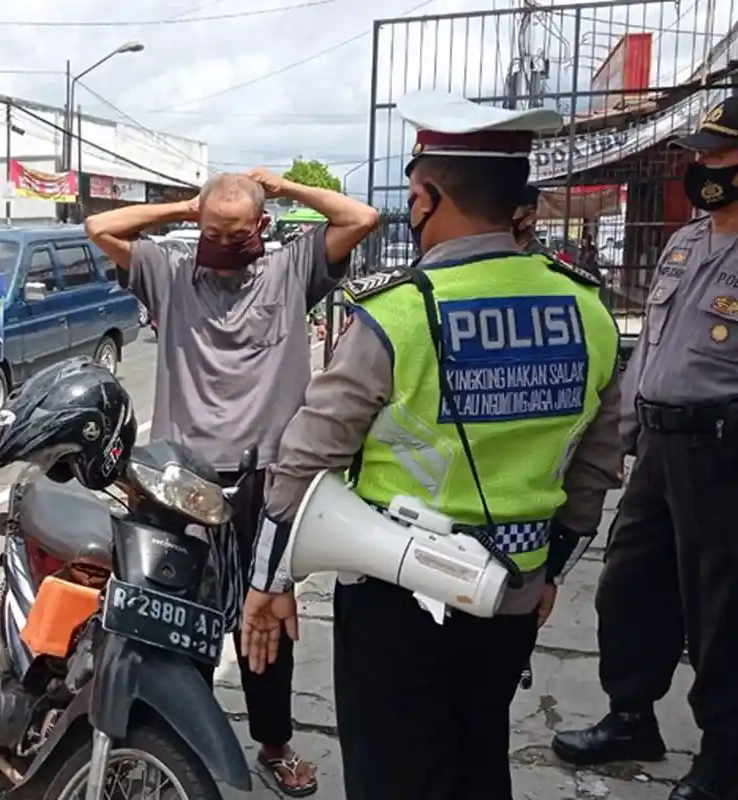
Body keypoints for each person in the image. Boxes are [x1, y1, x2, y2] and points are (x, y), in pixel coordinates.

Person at [241, 91, 623, 800]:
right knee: (479, 754)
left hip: (398, 597)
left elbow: (303, 460)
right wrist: (550, 570)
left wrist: (267, 584)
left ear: (424, 196)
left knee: (396, 772)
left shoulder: (402, 314)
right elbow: (596, 470)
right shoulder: (590, 311)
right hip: (514, 586)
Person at [85, 169, 378, 796]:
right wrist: (187, 209)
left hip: (264, 481)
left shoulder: (291, 269)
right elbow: (98, 226)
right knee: (170, 619)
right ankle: (174, 747)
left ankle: (274, 744)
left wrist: (287, 188)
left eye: (236, 232)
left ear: (262, 228)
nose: (221, 243)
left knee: (263, 620)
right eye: (210, 233)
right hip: (174, 481)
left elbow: (361, 219)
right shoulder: (168, 273)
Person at [550, 96, 738, 800]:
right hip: (660, 446)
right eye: (702, 154)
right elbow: (652, 348)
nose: (703, 167)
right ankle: (632, 715)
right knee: (630, 586)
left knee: (720, 609)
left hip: (723, 450)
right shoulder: (687, 241)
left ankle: (724, 754)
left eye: (719, 156)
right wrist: (627, 431)